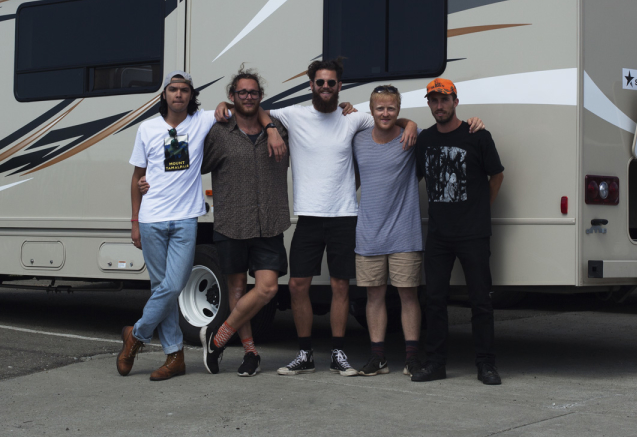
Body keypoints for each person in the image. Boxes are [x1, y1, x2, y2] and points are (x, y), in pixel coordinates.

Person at [262, 58, 417, 376]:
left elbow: (386, 118)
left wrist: (410, 123)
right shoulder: (294, 114)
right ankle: (305, 354)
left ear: (339, 86)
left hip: (345, 215)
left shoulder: (354, 118)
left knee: (341, 287)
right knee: (296, 285)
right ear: (311, 85)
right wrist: (272, 132)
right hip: (308, 215)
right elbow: (256, 109)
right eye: (320, 82)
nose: (326, 87)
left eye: (331, 82)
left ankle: (337, 353)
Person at [118, 71, 236, 381]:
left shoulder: (200, 121)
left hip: (185, 219)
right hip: (151, 219)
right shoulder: (147, 129)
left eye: (184, 90)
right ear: (165, 95)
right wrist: (134, 222)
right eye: (173, 89)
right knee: (162, 288)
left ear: (191, 95)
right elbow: (136, 178)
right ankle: (175, 357)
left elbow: (232, 108)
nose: (179, 95)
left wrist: (224, 102)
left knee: (173, 285)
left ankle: (136, 335)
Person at [196, 67, 292, 377]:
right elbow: (195, 165)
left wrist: (271, 126)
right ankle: (250, 353)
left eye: (253, 92)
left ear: (260, 97)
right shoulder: (218, 133)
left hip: (269, 221)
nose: (248, 97)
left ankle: (218, 337)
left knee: (267, 288)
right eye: (242, 93)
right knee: (237, 292)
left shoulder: (279, 130)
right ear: (232, 97)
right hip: (231, 223)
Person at [411, 78, 505, 386]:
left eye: (444, 99)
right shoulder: (425, 140)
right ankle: (436, 363)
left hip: (473, 234)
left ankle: (486, 364)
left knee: (481, 301)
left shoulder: (477, 135)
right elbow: (416, 177)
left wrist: (480, 208)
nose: (439, 105)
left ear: (455, 101)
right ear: (429, 104)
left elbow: (497, 175)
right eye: (434, 100)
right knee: (435, 300)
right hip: (439, 234)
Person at [352, 85, 425, 377]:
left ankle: (412, 358)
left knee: (409, 296)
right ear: (371, 111)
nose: (385, 113)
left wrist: (411, 124)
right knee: (374, 297)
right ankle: (378, 357)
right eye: (380, 108)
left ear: (398, 110)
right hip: (368, 233)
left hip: (404, 233)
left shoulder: (410, 139)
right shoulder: (358, 140)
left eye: (391, 108)